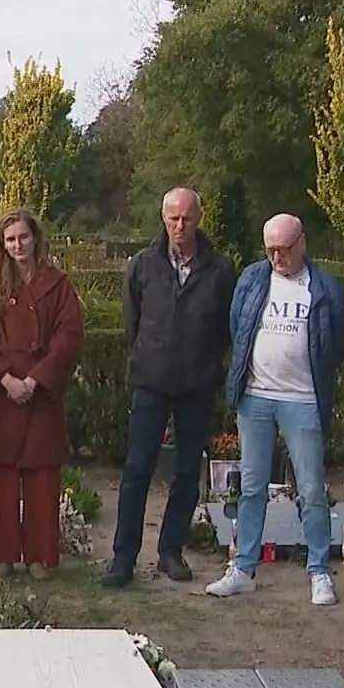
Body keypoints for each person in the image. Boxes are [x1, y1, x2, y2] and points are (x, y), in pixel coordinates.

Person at [206, 213, 344, 603]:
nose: (276, 256)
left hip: (302, 398)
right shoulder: (252, 279)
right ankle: (243, 567)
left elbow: (335, 343)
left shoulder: (325, 288)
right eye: (270, 249)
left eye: (284, 249)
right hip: (255, 398)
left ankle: (319, 570)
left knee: (310, 488)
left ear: (302, 242)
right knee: (251, 487)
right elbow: (238, 327)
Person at [103, 188, 236, 588]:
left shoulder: (220, 269)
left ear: (199, 218)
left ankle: (170, 551)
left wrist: (205, 362)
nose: (180, 226)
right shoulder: (142, 266)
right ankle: (123, 558)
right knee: (137, 469)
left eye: (187, 218)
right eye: (173, 218)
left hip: (197, 385)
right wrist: (149, 357)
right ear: (163, 218)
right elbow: (134, 323)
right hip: (151, 382)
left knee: (185, 473)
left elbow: (225, 329)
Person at [0, 208, 85, 580]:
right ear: (3, 243)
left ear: (35, 239)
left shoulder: (57, 284)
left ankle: (39, 557)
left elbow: (69, 336)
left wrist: (36, 379)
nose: (18, 245)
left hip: (40, 394)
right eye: (10, 239)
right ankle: (0, 556)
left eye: (23, 237)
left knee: (42, 477)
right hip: (1, 393)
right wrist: (5, 379)